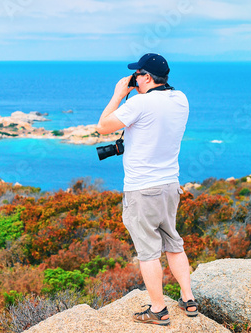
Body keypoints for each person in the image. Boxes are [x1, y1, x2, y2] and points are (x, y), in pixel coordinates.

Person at [96, 53, 198, 326]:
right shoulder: (180, 99)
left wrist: (119, 93)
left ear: (147, 77)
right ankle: (188, 300)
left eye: (137, 74)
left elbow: (103, 126)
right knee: (174, 243)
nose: (134, 78)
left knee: (148, 252)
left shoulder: (139, 103)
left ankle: (158, 309)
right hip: (170, 184)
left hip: (142, 188)